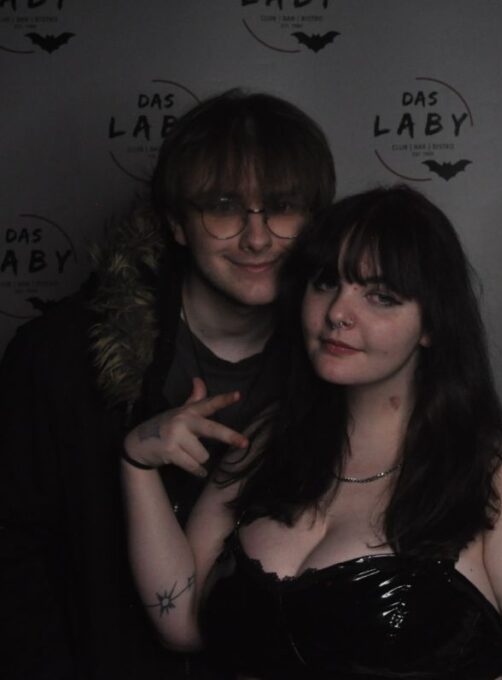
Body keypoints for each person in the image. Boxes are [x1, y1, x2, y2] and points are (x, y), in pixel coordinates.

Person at [122, 186, 502, 679]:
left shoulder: (499, 470)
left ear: (431, 325)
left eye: (380, 296)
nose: (337, 313)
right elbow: (183, 625)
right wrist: (136, 462)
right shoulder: (266, 440)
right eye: (327, 282)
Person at [0, 89, 335, 679]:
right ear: (177, 223)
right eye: (225, 208)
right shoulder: (58, 357)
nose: (257, 238)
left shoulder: (341, 366)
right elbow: (14, 557)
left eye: (282, 208)